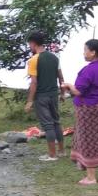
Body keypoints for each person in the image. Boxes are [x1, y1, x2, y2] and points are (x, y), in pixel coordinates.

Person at [61, 39, 98, 185]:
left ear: (93, 52)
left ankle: (91, 177)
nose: (83, 53)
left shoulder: (89, 70)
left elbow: (78, 91)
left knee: (88, 140)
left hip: (89, 109)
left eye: (85, 50)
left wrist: (68, 85)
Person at [24, 32, 66, 161]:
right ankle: (61, 150)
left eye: (29, 44)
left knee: (48, 125)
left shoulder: (33, 60)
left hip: (41, 96)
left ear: (33, 43)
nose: (30, 46)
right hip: (53, 94)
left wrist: (30, 101)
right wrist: (63, 93)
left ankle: (52, 155)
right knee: (56, 122)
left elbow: (34, 82)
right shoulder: (54, 57)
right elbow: (61, 77)